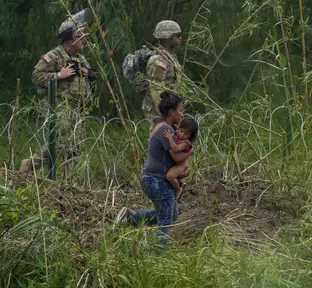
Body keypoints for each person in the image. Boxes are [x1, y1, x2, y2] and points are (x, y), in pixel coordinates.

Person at [19, 10, 96, 173]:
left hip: (77, 107)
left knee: (76, 145)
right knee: (60, 143)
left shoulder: (80, 58)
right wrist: (59, 75)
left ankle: (70, 180)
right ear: (70, 38)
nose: (84, 39)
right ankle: (30, 165)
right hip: (59, 105)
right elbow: (36, 76)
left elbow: (89, 74)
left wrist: (89, 74)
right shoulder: (53, 56)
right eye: (80, 36)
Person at [115, 91, 192, 244]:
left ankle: (130, 218)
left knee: (172, 213)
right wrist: (189, 157)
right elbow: (176, 157)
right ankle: (159, 254)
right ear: (171, 112)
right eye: (181, 110)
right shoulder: (166, 130)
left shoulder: (162, 126)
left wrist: (184, 168)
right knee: (166, 222)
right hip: (156, 180)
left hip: (154, 179)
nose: (183, 115)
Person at [143, 20, 183, 127]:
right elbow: (156, 89)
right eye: (177, 35)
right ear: (168, 38)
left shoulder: (172, 57)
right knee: (160, 141)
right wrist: (166, 114)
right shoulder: (159, 59)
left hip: (171, 109)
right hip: (159, 112)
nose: (180, 38)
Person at [163, 118, 198, 199]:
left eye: (186, 133)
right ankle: (179, 183)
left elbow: (176, 149)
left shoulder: (186, 143)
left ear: (191, 135)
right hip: (177, 164)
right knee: (173, 177)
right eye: (181, 131)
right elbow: (176, 127)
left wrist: (170, 138)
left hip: (181, 165)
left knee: (170, 176)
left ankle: (178, 189)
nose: (182, 135)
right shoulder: (178, 133)